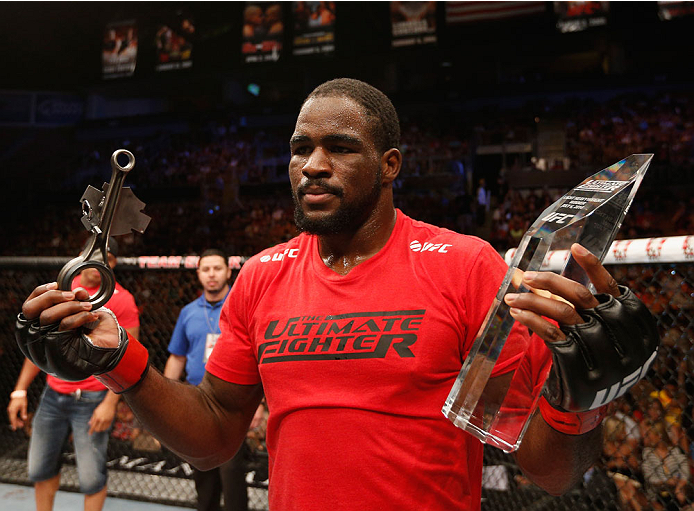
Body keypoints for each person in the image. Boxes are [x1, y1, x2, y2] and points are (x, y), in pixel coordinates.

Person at [16, 78, 660, 511]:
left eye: (339, 147)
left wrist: (582, 401)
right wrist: (121, 361)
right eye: (300, 150)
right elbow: (214, 433)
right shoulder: (263, 276)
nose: (313, 165)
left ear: (390, 165)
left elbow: (550, 471)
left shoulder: (466, 267)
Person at [8, 237, 139, 511]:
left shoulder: (123, 300)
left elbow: (128, 361)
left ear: (112, 264)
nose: (99, 261)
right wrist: (20, 390)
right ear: (81, 256)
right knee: (40, 468)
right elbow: (39, 351)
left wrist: (109, 403)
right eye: (93, 254)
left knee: (92, 477)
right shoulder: (59, 291)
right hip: (53, 395)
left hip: (93, 399)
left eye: (107, 257)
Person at [163, 249, 249, 511]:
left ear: (228, 272)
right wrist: (165, 402)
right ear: (198, 274)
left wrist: (259, 403)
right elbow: (177, 358)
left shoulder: (243, 305)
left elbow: (259, 356)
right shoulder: (188, 312)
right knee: (203, 470)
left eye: (217, 268)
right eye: (206, 269)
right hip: (197, 398)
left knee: (232, 473)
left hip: (233, 399)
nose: (212, 274)